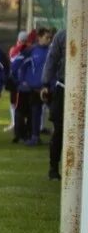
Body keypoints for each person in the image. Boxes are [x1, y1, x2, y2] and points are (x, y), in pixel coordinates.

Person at [43, 27, 67, 180]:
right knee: (59, 130)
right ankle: (53, 168)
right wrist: (45, 83)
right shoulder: (63, 34)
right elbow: (52, 59)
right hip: (64, 87)